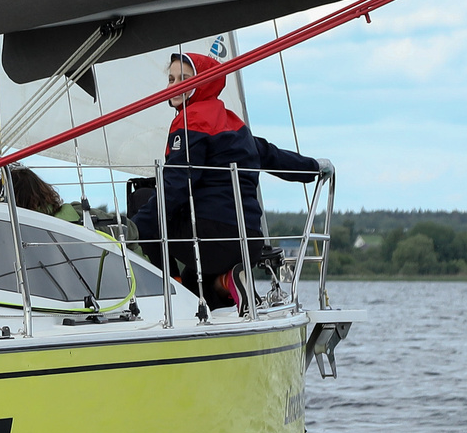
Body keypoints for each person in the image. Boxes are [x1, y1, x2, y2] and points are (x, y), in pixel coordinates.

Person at [127, 53, 327, 308]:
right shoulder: (233, 123)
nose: (174, 85)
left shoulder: (191, 121)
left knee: (145, 201)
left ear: (204, 83)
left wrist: (130, 229)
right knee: (194, 287)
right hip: (250, 241)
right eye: (171, 78)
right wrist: (314, 168)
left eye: (184, 79)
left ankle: (169, 286)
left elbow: (175, 186)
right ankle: (228, 281)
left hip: (212, 239)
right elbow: (271, 155)